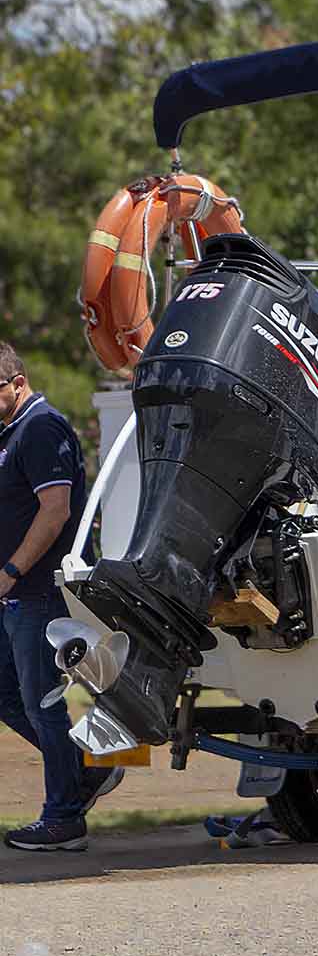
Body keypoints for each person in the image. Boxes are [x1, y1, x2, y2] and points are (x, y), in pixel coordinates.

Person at [0, 343, 120, 851]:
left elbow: (56, 510)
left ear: (17, 382)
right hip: (13, 596)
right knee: (7, 696)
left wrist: (10, 570)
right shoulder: (10, 432)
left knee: (41, 702)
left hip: (38, 592)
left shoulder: (42, 428)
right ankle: (84, 775)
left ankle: (64, 818)